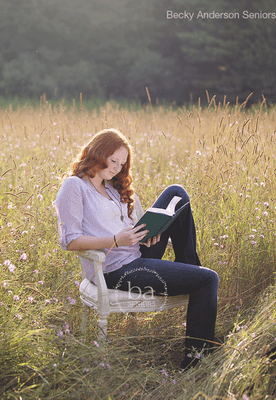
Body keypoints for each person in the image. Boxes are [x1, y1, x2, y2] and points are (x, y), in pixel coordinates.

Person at [55, 128, 219, 371]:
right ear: (98, 153)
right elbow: (70, 240)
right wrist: (116, 240)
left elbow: (124, 228)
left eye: (121, 164)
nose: (117, 168)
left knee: (177, 193)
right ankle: (194, 360)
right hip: (116, 269)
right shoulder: (74, 186)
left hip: (136, 253)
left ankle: (189, 267)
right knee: (208, 279)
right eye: (113, 161)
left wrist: (146, 235)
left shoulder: (111, 187)